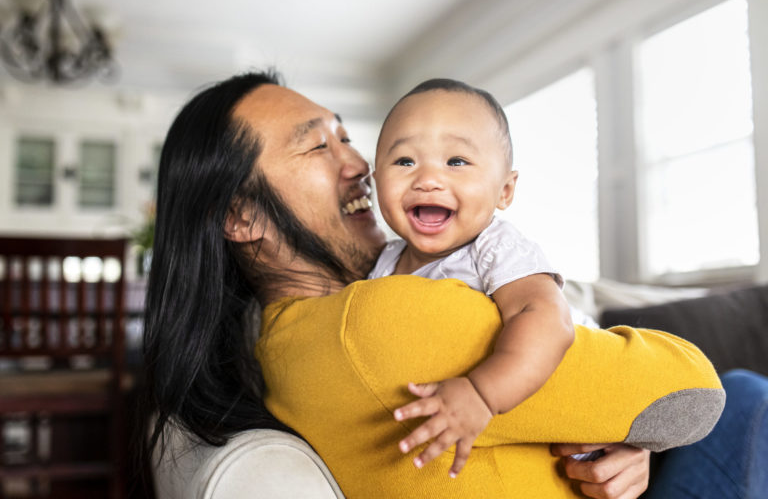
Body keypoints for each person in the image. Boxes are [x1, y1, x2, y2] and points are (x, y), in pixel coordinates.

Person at [138, 70, 757, 498]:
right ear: (241, 216)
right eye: (316, 148)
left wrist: (625, 439)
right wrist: (642, 426)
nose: (359, 164)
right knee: (746, 394)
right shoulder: (384, 322)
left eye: (347, 137)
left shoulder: (276, 343)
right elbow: (693, 390)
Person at [369, 78, 578, 476]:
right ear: (377, 179)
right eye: (404, 161)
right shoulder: (383, 265)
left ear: (505, 190)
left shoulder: (495, 246)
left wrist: (482, 394)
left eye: (457, 162)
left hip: (587, 399)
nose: (427, 179)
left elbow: (549, 318)